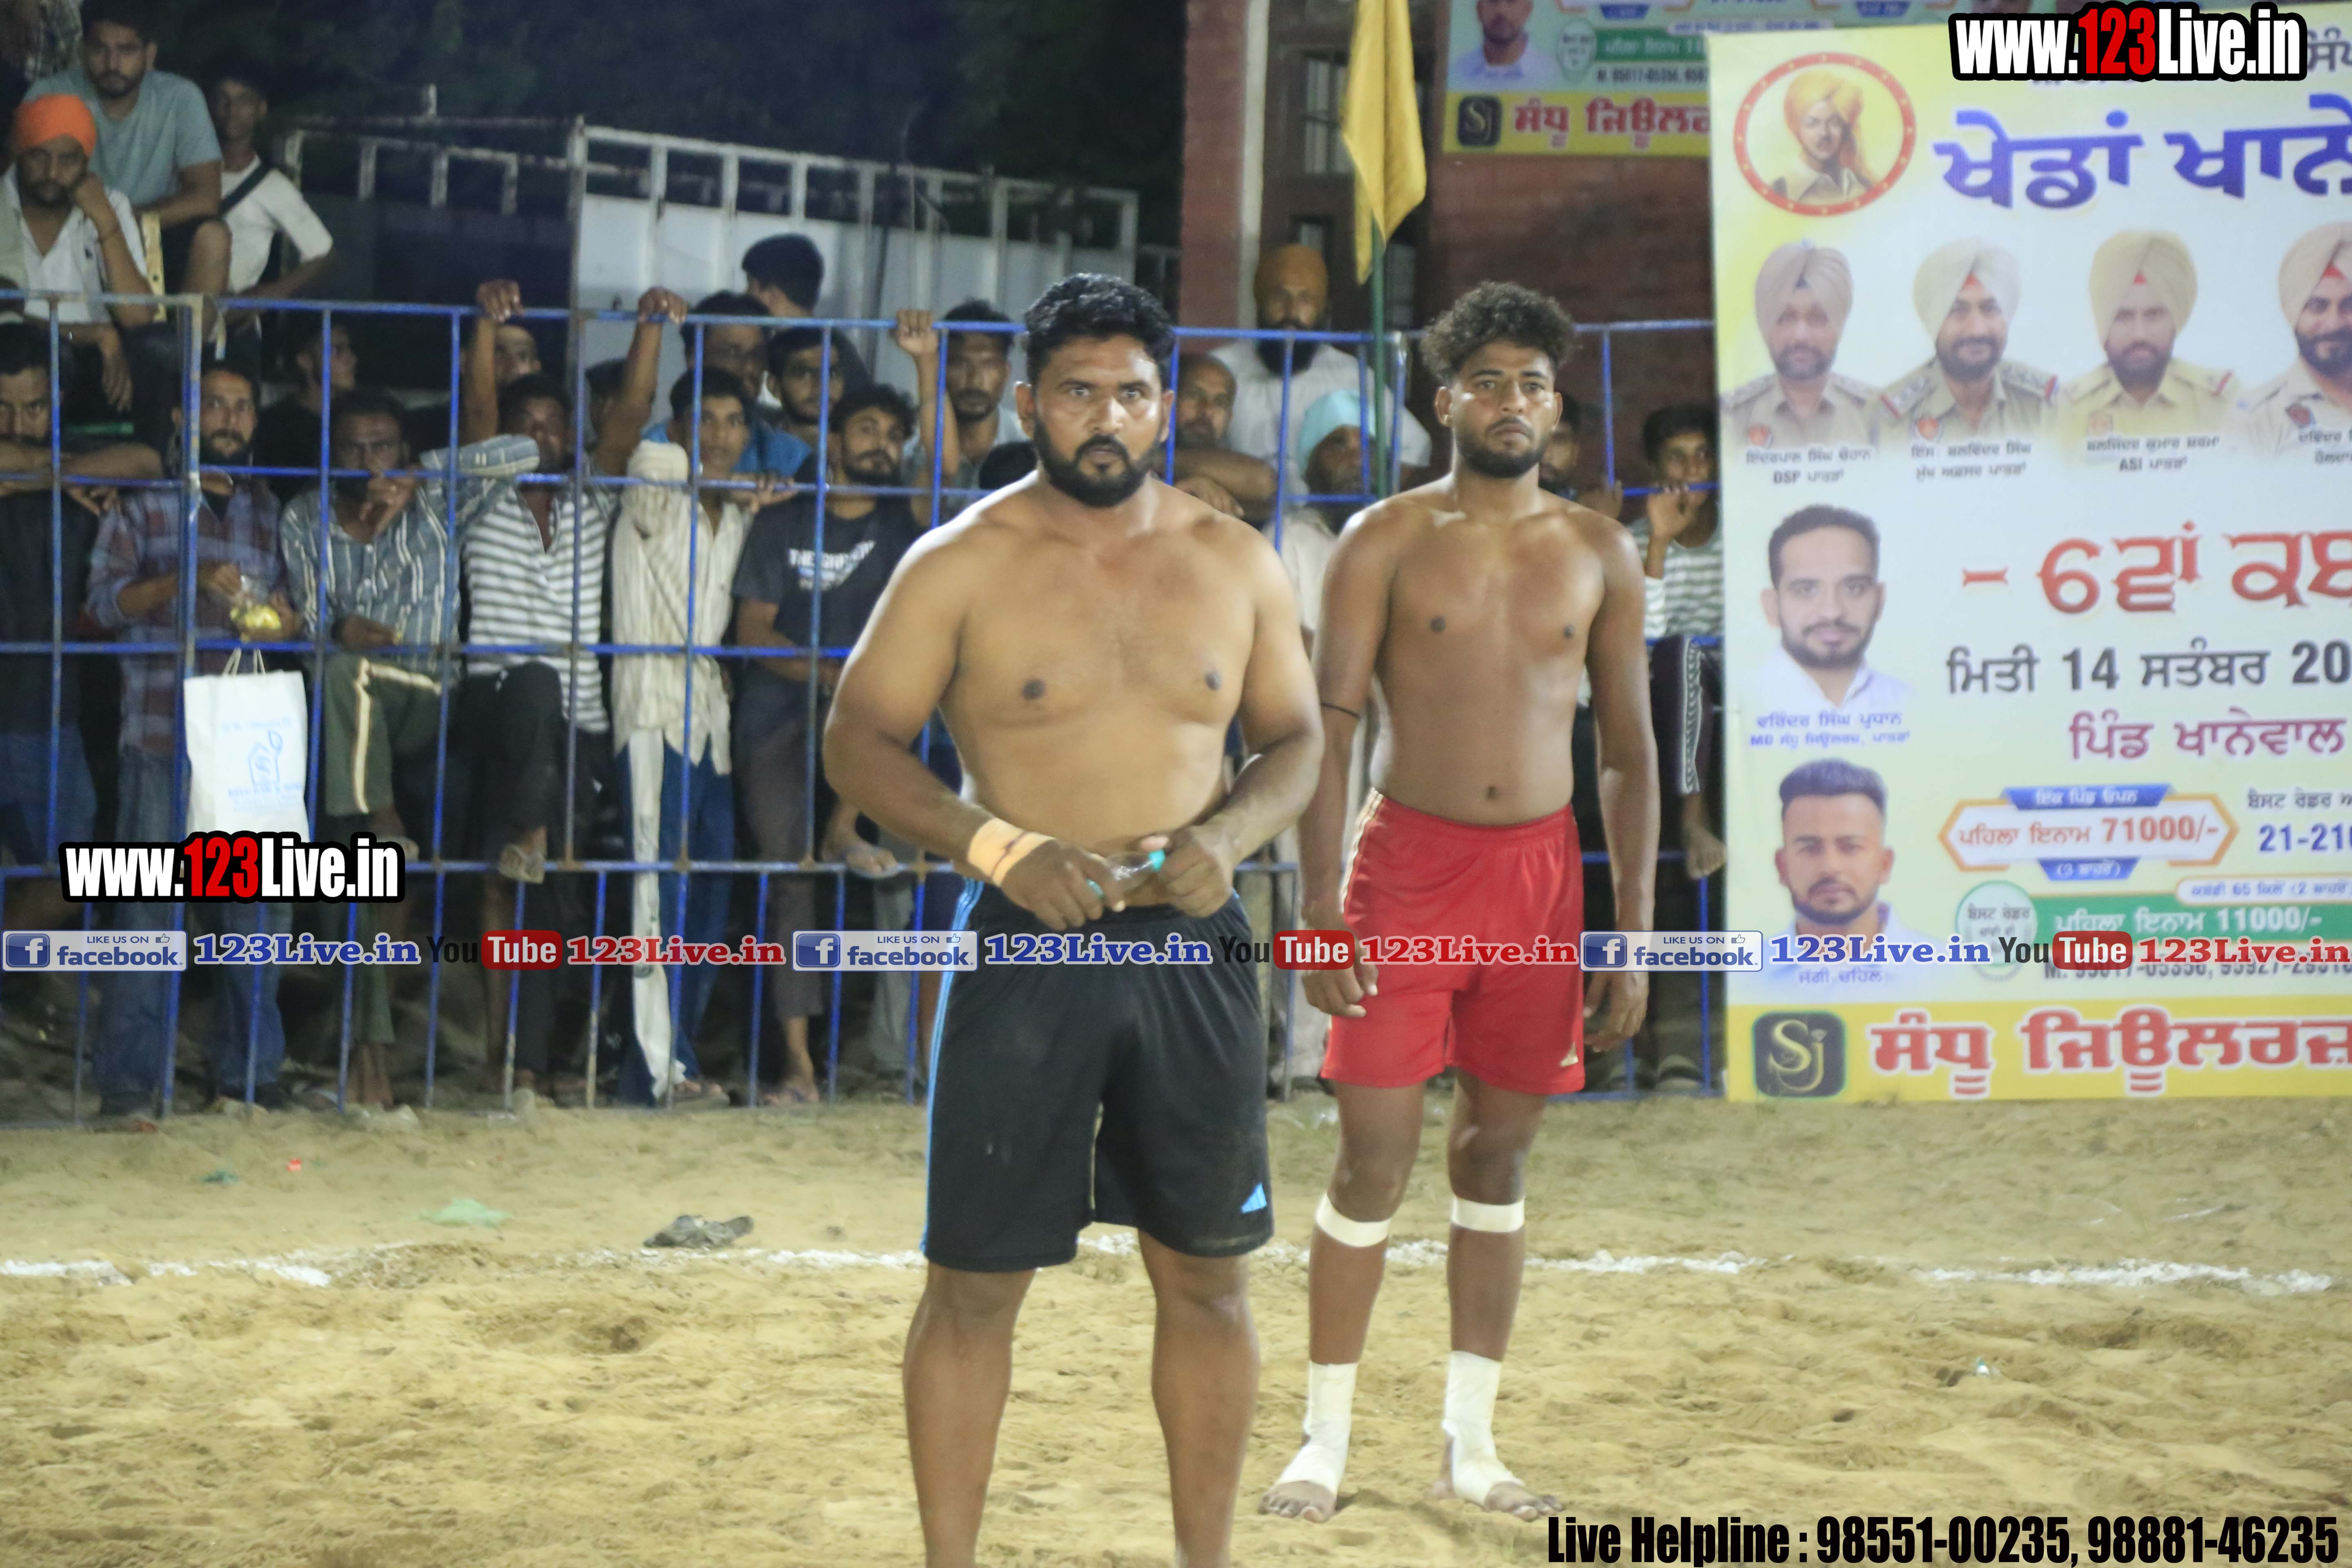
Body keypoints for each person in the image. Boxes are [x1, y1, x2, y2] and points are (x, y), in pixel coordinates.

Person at [822, 274, 1321, 1568]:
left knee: (1208, 1275)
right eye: (1079, 392)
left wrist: (1227, 840)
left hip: (1191, 950)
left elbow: (1297, 741)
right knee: (975, 1282)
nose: (1108, 417)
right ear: (1032, 405)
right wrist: (1000, 846)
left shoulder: (1234, 561)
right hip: (1025, 947)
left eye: (1132, 393)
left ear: (1168, 405)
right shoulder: (962, 562)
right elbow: (857, 742)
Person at [1260, 281, 1656, 1526]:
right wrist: (1318, 908)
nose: (1511, 401)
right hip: (1404, 874)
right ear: (1445, 401)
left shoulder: (1600, 550)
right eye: (1488, 381)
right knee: (1371, 1158)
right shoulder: (1383, 538)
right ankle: (1323, 1442)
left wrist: (1632, 932)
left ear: (1556, 405)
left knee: (1497, 1156)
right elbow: (1326, 727)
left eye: (1533, 383)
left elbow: (1630, 755)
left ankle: (1471, 1448)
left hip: (1540, 884)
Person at [450, 281, 678, 1102]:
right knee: (503, 876)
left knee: (551, 893)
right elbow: (479, 406)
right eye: (527, 424)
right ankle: (497, 1048)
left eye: (555, 425)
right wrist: (488, 327)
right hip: (498, 707)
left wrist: (651, 327)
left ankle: (531, 1062)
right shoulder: (478, 496)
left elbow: (633, 412)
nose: (543, 436)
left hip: (577, 728)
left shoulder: (591, 501)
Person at [84, 360, 304, 1119]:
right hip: (160, 731)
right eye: (214, 404)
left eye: (242, 406)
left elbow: (294, 615)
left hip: (244, 743)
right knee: (151, 910)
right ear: (183, 417)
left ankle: (250, 1074)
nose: (230, 419)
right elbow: (103, 605)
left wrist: (279, 621)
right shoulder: (144, 505)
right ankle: (130, 1082)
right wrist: (190, 579)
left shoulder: (269, 512)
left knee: (256, 907)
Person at [733, 382, 925, 1105]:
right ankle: (799, 1068)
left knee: (893, 695)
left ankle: (846, 825)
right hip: (779, 710)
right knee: (790, 875)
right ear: (834, 444)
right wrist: (825, 670)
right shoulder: (784, 519)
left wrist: (847, 680)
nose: (883, 445)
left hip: (865, 714)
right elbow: (752, 632)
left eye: (894, 435)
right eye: (868, 430)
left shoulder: (907, 528)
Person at [611, 363, 776, 1109]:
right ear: (677, 427)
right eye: (705, 419)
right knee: (657, 886)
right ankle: (654, 1073)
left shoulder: (736, 516)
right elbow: (659, 471)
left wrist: (747, 499)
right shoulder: (657, 475)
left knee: (707, 885)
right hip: (652, 705)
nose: (720, 435)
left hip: (708, 714)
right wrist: (737, 489)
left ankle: (678, 1051)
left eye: (735, 422)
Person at [0, 319, 159, 937]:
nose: (18, 423)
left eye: (34, 407)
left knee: (72, 874)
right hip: (31, 701)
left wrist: (49, 472)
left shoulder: (80, 453)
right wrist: (67, 473)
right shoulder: (79, 463)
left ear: (59, 400)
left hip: (43, 702)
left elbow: (147, 460)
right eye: (3, 408)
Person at [29, 0, 228, 298]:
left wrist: (119, 221)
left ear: (150, 54)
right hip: (70, 232)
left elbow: (206, 198)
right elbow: (17, 187)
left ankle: (189, 332)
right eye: (100, 50)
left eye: (127, 50)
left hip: (153, 230)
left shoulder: (181, 98)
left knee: (214, 237)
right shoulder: (49, 96)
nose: (112, 64)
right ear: (82, 51)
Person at [1212, 244, 1430, 497]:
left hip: (1326, 520)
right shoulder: (1220, 369)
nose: (1291, 312)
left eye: (1306, 300)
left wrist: (1365, 504)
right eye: (1279, 297)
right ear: (1259, 301)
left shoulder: (1350, 374)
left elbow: (1414, 449)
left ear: (1324, 309)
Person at [4, 91, 154, 422]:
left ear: (87, 162)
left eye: (68, 160)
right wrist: (95, 334)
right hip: (11, 359)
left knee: (154, 354)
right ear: (19, 153)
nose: (52, 173)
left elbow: (138, 317)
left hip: (93, 361)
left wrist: (105, 221)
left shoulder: (111, 205)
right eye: (39, 157)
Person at [1626, 404, 1725, 886]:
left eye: (1702, 455)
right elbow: (1647, 640)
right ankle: (1693, 816)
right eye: (1677, 458)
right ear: (1656, 469)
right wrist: (1660, 544)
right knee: (1681, 650)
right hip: (1672, 678)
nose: (1692, 470)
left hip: (1732, 673)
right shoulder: (1635, 541)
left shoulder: (1741, 531)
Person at [1758, 758, 1934, 998]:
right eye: (1810, 848)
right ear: (1782, 867)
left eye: (1851, 847)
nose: (1830, 867)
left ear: (1885, 864)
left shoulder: (1942, 974)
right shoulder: (1743, 978)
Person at [2056, 230, 2236, 441]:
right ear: (2103, 323)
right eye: (2123, 317)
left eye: (2154, 316)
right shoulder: (2064, 410)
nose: (2139, 334)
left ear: (2175, 320)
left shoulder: (2222, 404)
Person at [1878, 241, 2056, 444]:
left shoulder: (2047, 409)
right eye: (1957, 311)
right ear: (1933, 322)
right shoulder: (1887, 420)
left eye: (1990, 309)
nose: (1976, 329)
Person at [1749, 505, 1910, 719]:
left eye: (1854, 588)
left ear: (1880, 600)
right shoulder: (1745, 702)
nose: (1832, 612)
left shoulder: (1912, 706)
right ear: (1772, 606)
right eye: (1806, 590)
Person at [204, 63, 333, 311]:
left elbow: (324, 255)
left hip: (229, 322)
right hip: (178, 316)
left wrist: (272, 293)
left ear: (261, 109)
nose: (232, 110)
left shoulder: (273, 187)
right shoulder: (186, 172)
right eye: (223, 99)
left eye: (244, 101)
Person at [1724, 242, 1876, 451]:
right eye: (1786, 318)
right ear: (1765, 324)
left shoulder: (1875, 415)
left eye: (1817, 318)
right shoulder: (1729, 417)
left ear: (1839, 326)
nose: (1801, 336)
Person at [2231, 222, 2352, 456]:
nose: (2334, 323)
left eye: (2350, 305)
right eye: (2317, 306)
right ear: (2293, 311)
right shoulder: (2257, 418)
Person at [740, 230, 871, 388]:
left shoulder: (777, 353)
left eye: (750, 284)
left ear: (772, 295)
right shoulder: (838, 348)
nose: (745, 294)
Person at [1169, 352, 1278, 521]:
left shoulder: (1237, 473)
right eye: (1194, 395)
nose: (1207, 411)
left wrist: (1155, 459)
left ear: (1230, 418)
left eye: (1220, 403)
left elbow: (1265, 483)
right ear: (1168, 400)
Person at [255, 317, 354, 501]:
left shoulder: (358, 416)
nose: (352, 360)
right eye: (336, 351)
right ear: (305, 361)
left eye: (349, 350)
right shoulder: (275, 424)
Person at [1771, 69, 1873, 208]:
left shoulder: (1864, 186)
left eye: (1835, 123)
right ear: (1795, 127)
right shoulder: (1778, 191)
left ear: (1846, 128)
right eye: (1812, 123)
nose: (1824, 133)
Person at [939, 299, 1014, 486]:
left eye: (989, 365)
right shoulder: (910, 448)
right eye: (960, 364)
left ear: (1006, 373)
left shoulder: (1032, 445)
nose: (975, 380)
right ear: (940, 369)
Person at [766, 323, 847, 474]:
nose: (822, 385)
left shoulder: (859, 447)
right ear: (774, 386)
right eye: (804, 374)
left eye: (832, 374)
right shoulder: (758, 448)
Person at [1537, 392, 1622, 517]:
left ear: (1575, 452)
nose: (1546, 456)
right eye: (1539, 441)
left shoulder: (1588, 508)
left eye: (1559, 442)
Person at [1452, 0, 1561, 89]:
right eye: (1493, 1)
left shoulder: (1552, 75)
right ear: (1479, 10)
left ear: (1527, 10)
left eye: (1511, 1)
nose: (1502, 11)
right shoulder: (1456, 75)